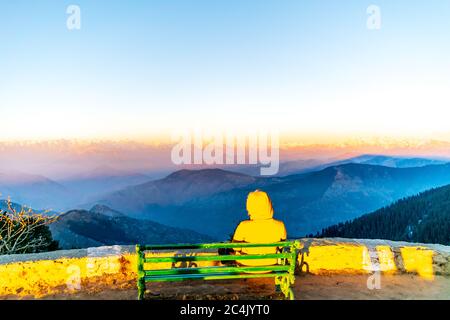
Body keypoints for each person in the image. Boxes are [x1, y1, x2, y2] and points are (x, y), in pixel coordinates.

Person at [227, 190, 287, 267]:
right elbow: (281, 246)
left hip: (246, 265)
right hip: (270, 264)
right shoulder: (280, 225)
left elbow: (236, 248)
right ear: (268, 205)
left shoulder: (243, 226)